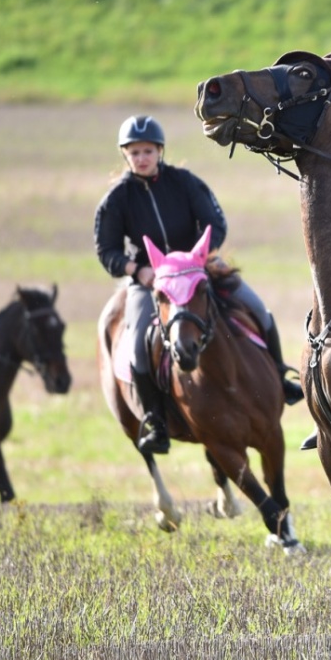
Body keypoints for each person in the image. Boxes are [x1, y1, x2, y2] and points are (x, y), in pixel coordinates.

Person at [94, 115, 303, 455]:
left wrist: (202, 256)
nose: (142, 157)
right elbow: (107, 249)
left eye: (148, 150)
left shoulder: (185, 182)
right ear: (125, 155)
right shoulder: (117, 199)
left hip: (197, 269)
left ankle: (280, 377)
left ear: (160, 151)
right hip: (150, 280)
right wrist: (137, 270)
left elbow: (214, 222)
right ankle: (155, 421)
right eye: (135, 152)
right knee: (134, 346)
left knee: (259, 310)